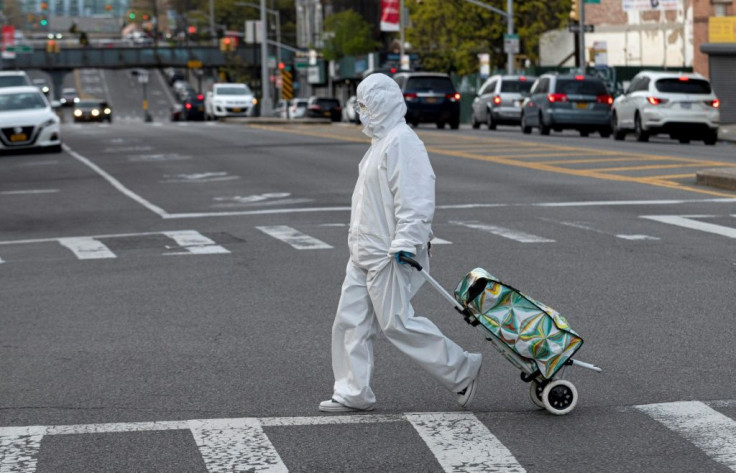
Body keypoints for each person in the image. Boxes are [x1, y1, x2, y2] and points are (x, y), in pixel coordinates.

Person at [319, 73, 483, 413]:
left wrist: (407, 240)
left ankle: (462, 368)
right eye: (360, 104)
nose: (363, 111)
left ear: (383, 104)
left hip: (388, 253)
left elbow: (416, 197)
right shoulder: (381, 143)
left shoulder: (402, 142)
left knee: (398, 323)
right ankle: (352, 391)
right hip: (364, 251)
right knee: (350, 321)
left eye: (367, 104)